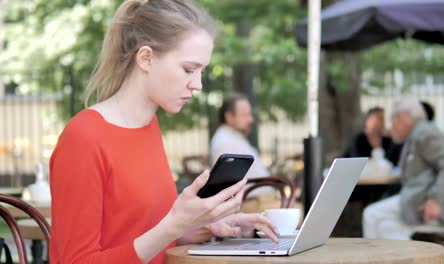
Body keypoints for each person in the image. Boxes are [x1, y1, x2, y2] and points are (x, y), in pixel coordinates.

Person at [49, 1, 278, 263]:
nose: (198, 84)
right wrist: (174, 224)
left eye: (201, 71)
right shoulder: (84, 138)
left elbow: (140, 236)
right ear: (146, 58)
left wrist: (203, 226)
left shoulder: (149, 127)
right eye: (189, 69)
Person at [362, 97, 444, 240]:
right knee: (383, 224)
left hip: (433, 208)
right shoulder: (416, 133)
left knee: (372, 215)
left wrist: (435, 200)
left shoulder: (424, 133)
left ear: (403, 117)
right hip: (416, 201)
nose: (391, 124)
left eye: (393, 119)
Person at [210, 93, 269, 180]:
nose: (251, 119)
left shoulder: (232, 137)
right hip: (254, 193)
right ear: (229, 117)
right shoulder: (225, 142)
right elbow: (231, 185)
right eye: (245, 115)